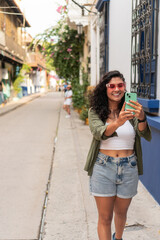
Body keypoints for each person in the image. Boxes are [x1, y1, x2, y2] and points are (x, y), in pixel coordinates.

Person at [84, 70, 151, 240]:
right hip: (103, 166)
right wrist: (118, 122)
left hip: (129, 166)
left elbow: (143, 134)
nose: (116, 89)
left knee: (121, 214)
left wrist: (142, 117)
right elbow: (99, 132)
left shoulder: (131, 110)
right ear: (105, 88)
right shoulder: (95, 111)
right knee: (105, 217)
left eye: (120, 85)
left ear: (125, 87)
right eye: (111, 86)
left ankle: (118, 238)